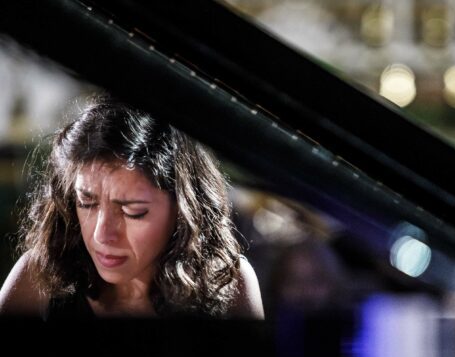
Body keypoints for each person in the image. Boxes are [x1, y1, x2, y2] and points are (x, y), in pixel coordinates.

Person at [0, 93, 264, 319]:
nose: (101, 235)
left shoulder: (228, 280)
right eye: (86, 203)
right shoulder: (40, 276)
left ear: (183, 211)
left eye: (133, 211)